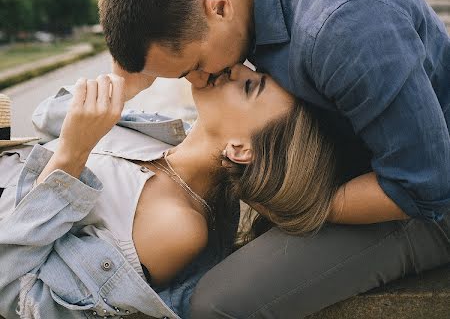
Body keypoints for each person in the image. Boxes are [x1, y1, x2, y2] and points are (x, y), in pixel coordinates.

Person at [98, 0, 450, 318]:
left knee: (218, 305)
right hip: (375, 167)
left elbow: (423, 188)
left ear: (218, 7)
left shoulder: (341, 24)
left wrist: (298, 203)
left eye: (195, 65)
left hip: (427, 204)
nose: (200, 81)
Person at [0, 64, 341, 319]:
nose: (235, 68)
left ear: (241, 149)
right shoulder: (162, 135)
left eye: (250, 86)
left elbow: (16, 291)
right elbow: (49, 122)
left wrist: (72, 156)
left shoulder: (178, 228)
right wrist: (124, 84)